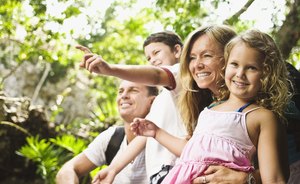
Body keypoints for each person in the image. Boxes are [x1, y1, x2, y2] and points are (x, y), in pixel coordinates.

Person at [78, 27, 264, 184]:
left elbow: (158, 75)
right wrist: (114, 168)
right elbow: (148, 136)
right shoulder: (203, 104)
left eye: (156, 53)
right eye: (148, 58)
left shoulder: (181, 76)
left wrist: (110, 69)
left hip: (175, 171)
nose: (152, 60)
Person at [131, 29, 290, 183]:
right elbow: (193, 153)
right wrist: (156, 132)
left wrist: (247, 179)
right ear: (225, 66)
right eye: (234, 64)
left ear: (266, 74)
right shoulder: (210, 109)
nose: (240, 74)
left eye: (251, 68)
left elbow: (275, 178)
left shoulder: (261, 116)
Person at [55, 80, 158, 184]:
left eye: (134, 91)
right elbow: (67, 169)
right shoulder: (113, 138)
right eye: (120, 91)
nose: (124, 95)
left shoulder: (163, 143)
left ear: (152, 102)